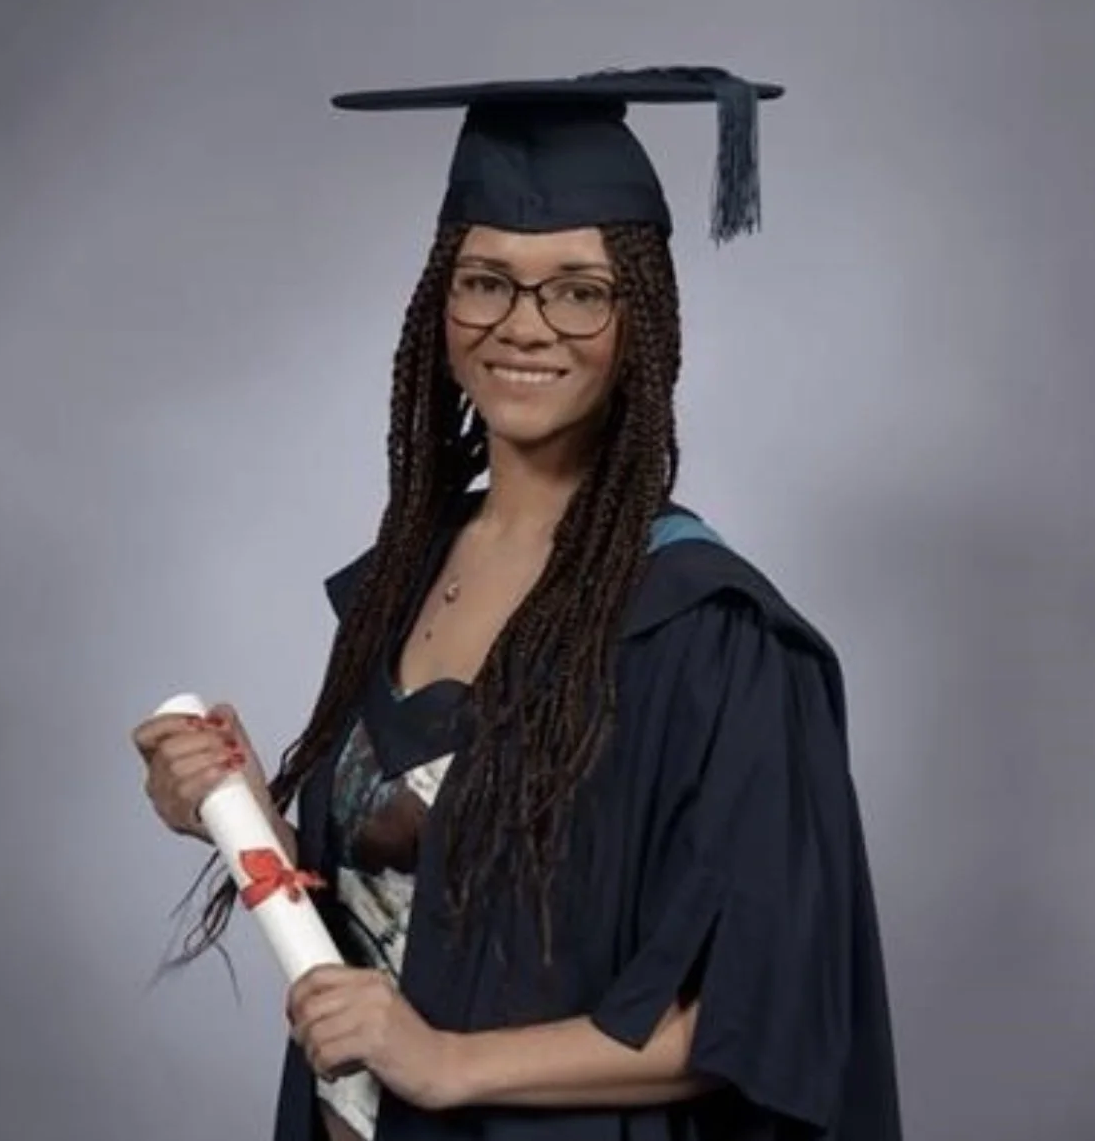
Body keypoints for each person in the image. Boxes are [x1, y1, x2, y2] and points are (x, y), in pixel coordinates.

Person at [132, 66, 904, 1141]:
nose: (524, 325)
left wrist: (444, 1064)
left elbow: (763, 1010)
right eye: (485, 280)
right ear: (440, 307)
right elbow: (405, 918)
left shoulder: (705, 630)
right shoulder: (402, 581)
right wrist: (238, 816)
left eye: (579, 288)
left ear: (642, 320)